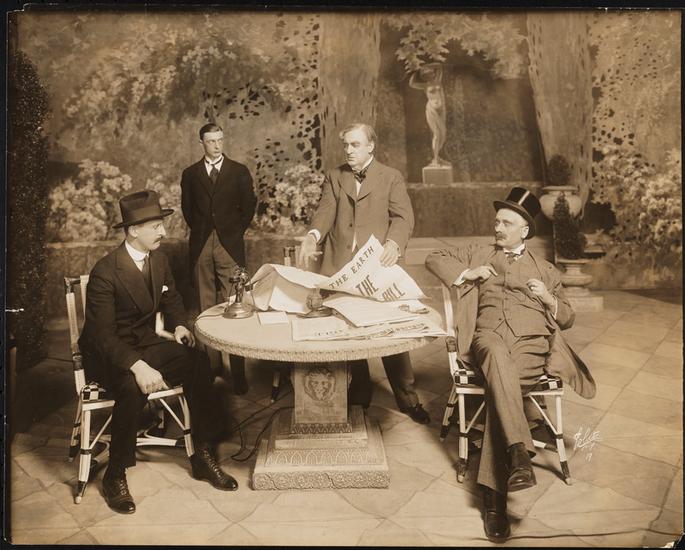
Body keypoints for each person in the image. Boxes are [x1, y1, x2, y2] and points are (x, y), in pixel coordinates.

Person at [425, 187, 595, 543]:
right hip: (487, 338)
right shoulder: (478, 252)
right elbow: (434, 257)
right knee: (497, 357)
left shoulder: (545, 270)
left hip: (531, 346)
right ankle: (516, 455)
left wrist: (547, 298)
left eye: (506, 223)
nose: (498, 228)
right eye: (497, 221)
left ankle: (497, 495)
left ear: (525, 230)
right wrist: (468, 273)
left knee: (501, 386)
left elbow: (567, 317)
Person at [79, 190, 239, 515]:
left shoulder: (159, 261)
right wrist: (137, 366)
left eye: (161, 225)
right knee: (130, 385)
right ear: (133, 231)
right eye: (155, 226)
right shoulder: (105, 271)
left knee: (198, 361)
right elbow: (101, 336)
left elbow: (172, 299)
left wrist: (179, 325)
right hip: (110, 355)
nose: (163, 232)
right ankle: (115, 474)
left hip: (144, 343)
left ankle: (201, 454)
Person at [298, 122, 430, 425]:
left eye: (355, 145)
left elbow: (403, 217)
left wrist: (394, 244)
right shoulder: (335, 175)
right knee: (348, 330)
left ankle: (408, 399)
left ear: (371, 146)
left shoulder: (390, 177)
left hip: (376, 266)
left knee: (390, 332)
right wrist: (312, 235)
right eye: (346, 145)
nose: (348, 150)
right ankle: (359, 395)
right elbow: (326, 211)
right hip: (340, 264)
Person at [180, 123, 257, 394]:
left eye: (220, 140)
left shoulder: (238, 171)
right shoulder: (191, 174)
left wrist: (232, 231)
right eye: (211, 141)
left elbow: (248, 206)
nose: (216, 145)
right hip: (201, 242)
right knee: (205, 306)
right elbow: (188, 210)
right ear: (201, 143)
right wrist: (205, 231)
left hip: (229, 245)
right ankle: (211, 369)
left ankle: (238, 373)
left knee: (235, 305)